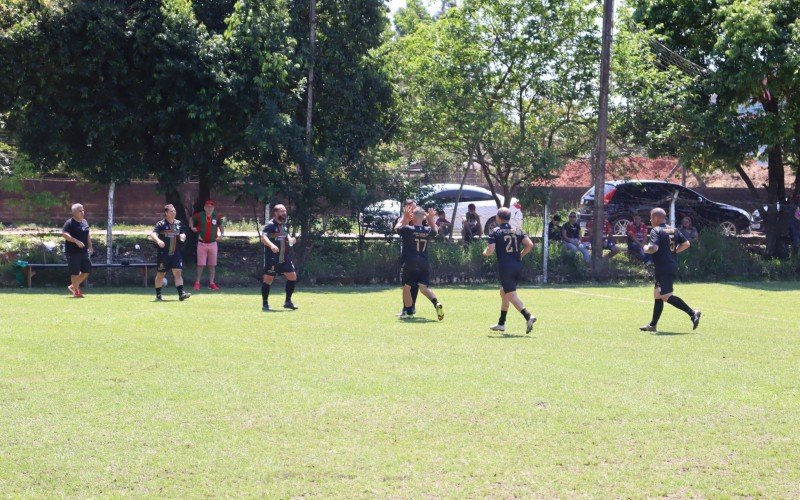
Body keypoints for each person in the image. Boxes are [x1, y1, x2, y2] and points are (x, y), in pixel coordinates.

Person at [640, 208, 701, 332]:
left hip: (664, 267)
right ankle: (653, 325)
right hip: (670, 265)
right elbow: (687, 244)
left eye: (651, 218)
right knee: (657, 295)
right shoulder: (674, 230)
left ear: (656, 218)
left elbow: (654, 248)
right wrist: (673, 252)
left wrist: (646, 248)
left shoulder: (656, 230)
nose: (650, 220)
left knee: (666, 296)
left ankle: (693, 313)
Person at [483, 208, 537, 334]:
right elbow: (530, 245)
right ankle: (501, 323)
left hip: (505, 267)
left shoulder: (495, 231)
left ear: (498, 217)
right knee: (504, 292)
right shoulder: (517, 230)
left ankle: (528, 316)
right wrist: (521, 255)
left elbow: (490, 250)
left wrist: (485, 253)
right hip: (517, 266)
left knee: (511, 295)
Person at [394, 205, 444, 321]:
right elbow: (435, 231)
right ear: (424, 217)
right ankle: (436, 303)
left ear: (412, 216)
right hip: (424, 262)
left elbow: (397, 228)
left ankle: (409, 312)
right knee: (423, 288)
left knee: (406, 287)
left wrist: (405, 218)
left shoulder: (408, 229)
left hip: (410, 262)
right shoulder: (427, 231)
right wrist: (431, 220)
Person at [149, 204, 191, 302]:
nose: (174, 212)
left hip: (176, 252)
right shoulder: (161, 224)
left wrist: (182, 236)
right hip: (163, 254)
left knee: (178, 272)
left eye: (174, 211)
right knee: (161, 274)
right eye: (171, 211)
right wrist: (158, 241)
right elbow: (153, 234)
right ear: (166, 213)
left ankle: (181, 294)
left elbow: (182, 232)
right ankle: (158, 295)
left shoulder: (178, 223)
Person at [261, 204, 298, 311]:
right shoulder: (270, 225)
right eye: (282, 211)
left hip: (284, 258)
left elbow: (286, 235)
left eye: (285, 211)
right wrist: (271, 245)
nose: (284, 213)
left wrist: (291, 239)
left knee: (292, 277)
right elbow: (263, 237)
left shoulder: (284, 225)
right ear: (276, 213)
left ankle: (288, 301)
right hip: (272, 258)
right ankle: (265, 304)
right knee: (268, 279)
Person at [190, 199, 224, 291]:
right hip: (202, 244)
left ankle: (212, 283)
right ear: (205, 208)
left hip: (213, 244)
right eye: (208, 207)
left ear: (213, 208)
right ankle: (197, 283)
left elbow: (221, 225)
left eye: (211, 207)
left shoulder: (216, 216)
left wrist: (222, 234)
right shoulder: (200, 215)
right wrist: (192, 227)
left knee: (212, 265)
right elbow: (191, 219)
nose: (210, 208)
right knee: (200, 264)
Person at [61, 203, 93, 298]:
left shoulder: (84, 222)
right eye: (80, 210)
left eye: (83, 210)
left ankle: (72, 286)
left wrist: (90, 246)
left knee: (87, 270)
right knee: (75, 272)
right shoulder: (69, 223)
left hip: (83, 252)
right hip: (72, 252)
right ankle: (76, 291)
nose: (83, 212)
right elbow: (64, 234)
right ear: (74, 212)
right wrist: (76, 241)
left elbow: (87, 235)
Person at [396, 199, 420, 317]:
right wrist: (405, 219)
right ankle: (406, 308)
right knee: (406, 285)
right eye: (410, 208)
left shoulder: (420, 220)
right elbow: (398, 229)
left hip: (419, 259)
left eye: (414, 208)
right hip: (406, 257)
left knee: (413, 284)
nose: (412, 211)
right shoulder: (402, 220)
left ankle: (410, 308)